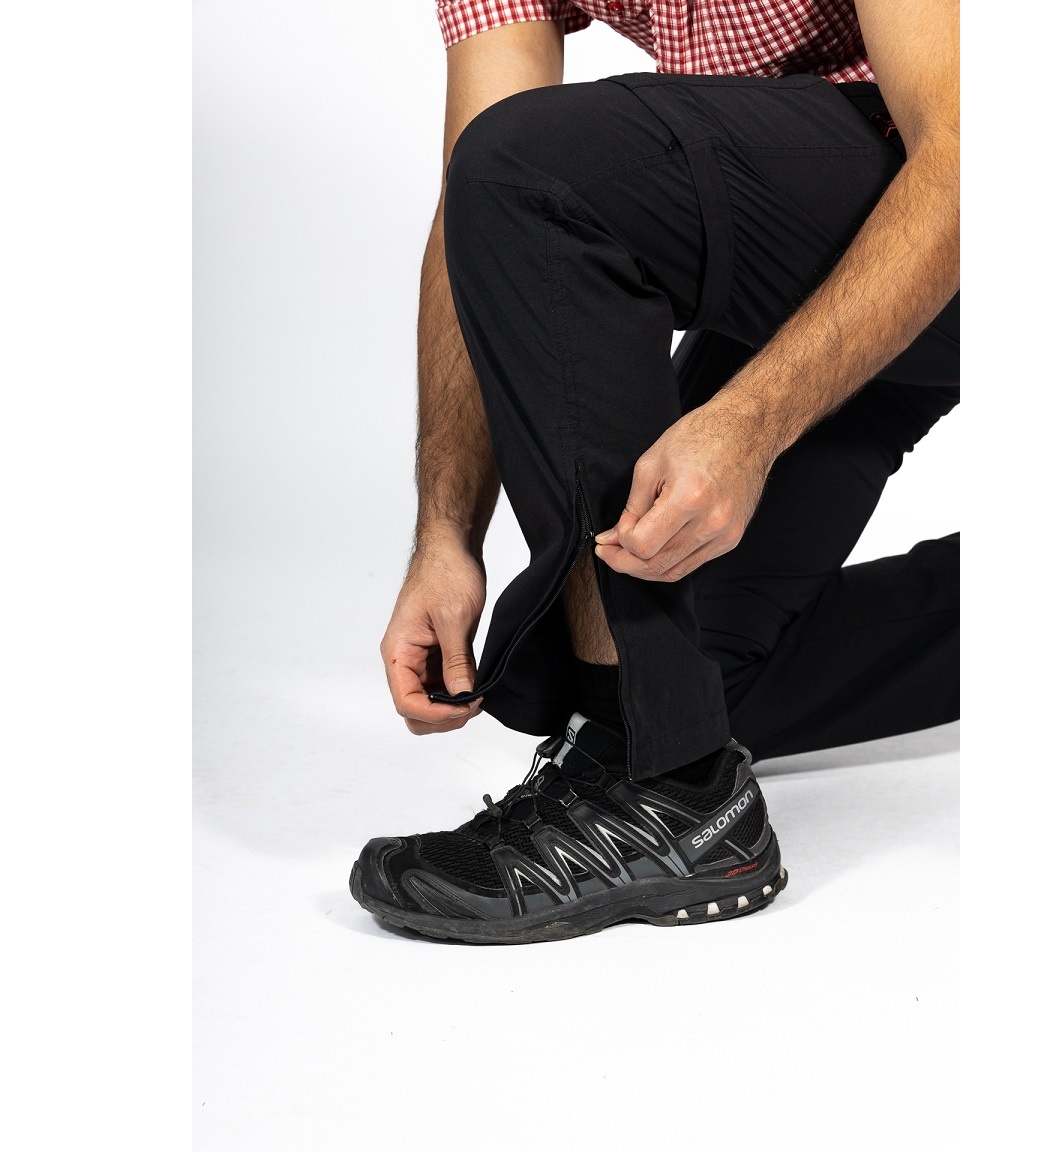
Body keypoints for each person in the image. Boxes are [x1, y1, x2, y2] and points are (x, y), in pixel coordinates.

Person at [349, 0, 959, 943]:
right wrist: (445, 532)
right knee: (690, 680)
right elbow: (475, 199)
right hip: (855, 240)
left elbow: (966, 149)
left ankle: (661, 784)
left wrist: (750, 425)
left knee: (540, 164)